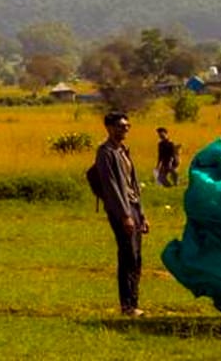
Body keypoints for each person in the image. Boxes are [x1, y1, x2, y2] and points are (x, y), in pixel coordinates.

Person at [93, 111, 147, 316]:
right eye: (121, 126)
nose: (125, 129)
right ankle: (127, 305)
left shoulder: (123, 150)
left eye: (127, 126)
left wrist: (142, 214)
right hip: (121, 209)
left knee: (137, 256)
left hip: (133, 206)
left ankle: (134, 301)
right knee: (128, 255)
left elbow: (133, 184)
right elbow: (112, 186)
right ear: (109, 128)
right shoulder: (105, 153)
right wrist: (125, 215)